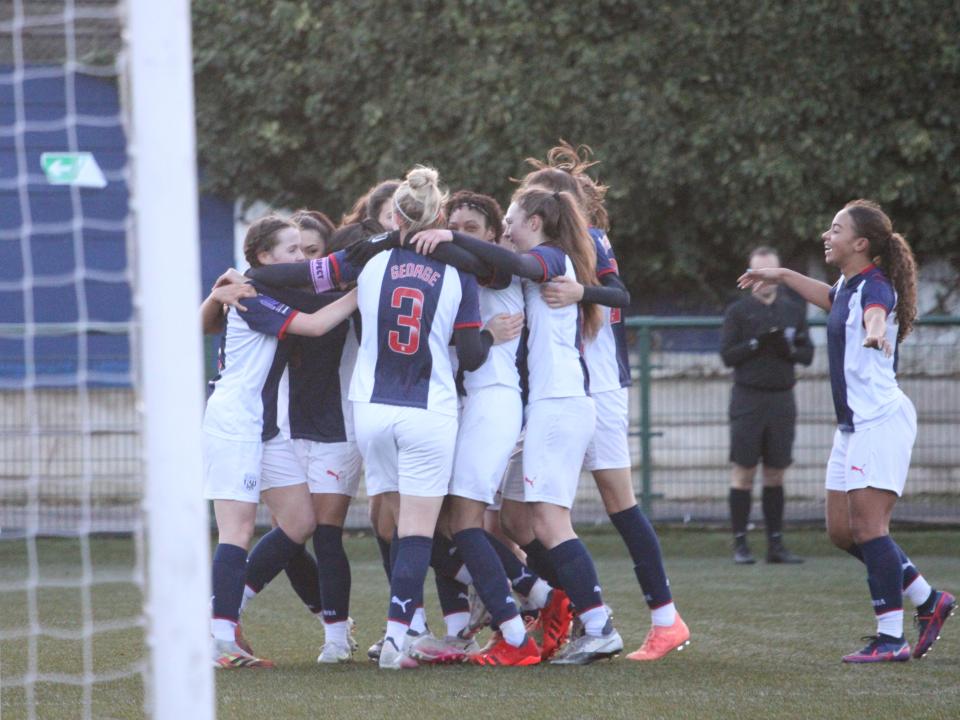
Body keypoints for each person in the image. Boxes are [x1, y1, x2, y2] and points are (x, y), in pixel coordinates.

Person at [247, 167, 488, 670]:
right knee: (419, 531)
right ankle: (401, 638)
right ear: (440, 218)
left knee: (392, 522)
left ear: (395, 216)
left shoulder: (368, 260)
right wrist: (490, 336)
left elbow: (301, 275)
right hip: (429, 408)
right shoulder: (459, 270)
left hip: (371, 413)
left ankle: (408, 632)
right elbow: (471, 351)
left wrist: (250, 277)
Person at [410, 186, 624, 665]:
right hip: (541, 404)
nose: (506, 229)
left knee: (544, 521)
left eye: (509, 221)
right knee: (511, 521)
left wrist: (438, 236)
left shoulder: (544, 256)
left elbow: (516, 266)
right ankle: (551, 603)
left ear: (535, 222)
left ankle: (594, 624)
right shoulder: (525, 263)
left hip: (556, 402)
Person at [738, 199, 955, 663]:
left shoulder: (876, 287)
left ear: (860, 243)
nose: (827, 235)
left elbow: (876, 311)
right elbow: (832, 298)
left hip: (879, 421)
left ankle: (891, 639)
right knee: (842, 531)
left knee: (870, 529)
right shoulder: (849, 285)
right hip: (853, 426)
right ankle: (928, 599)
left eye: (836, 229)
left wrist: (876, 331)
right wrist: (781, 275)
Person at [524, 142, 689, 661]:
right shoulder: (550, 248)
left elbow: (620, 296)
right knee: (529, 515)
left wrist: (581, 293)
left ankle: (663, 619)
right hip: (566, 389)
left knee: (616, 505)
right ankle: (567, 610)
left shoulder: (591, 240)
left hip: (595, 387)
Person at [201, 214, 360, 669]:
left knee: (299, 519)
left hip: (263, 426)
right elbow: (316, 325)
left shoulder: (265, 288)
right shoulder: (253, 294)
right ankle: (219, 640)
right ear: (264, 256)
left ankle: (218, 615)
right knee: (236, 530)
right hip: (235, 423)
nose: (301, 257)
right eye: (291, 250)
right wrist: (364, 289)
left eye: (305, 249)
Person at [721, 246, 813, 565]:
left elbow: (807, 354)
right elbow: (727, 355)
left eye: (769, 274)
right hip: (748, 399)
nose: (764, 281)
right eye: (757, 274)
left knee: (776, 472)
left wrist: (788, 349)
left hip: (782, 398)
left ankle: (776, 544)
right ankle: (740, 544)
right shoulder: (738, 312)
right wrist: (756, 343)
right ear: (749, 276)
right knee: (743, 471)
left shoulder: (793, 310)